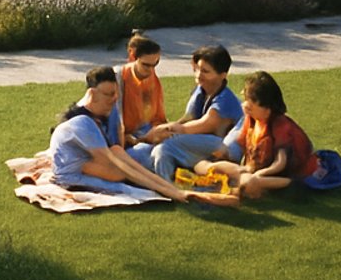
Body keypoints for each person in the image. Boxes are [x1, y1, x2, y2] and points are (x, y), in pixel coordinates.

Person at [47, 67, 237, 207]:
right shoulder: (82, 122)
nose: (114, 99)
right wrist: (166, 191)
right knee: (127, 179)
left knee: (140, 154)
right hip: (77, 172)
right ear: (92, 95)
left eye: (116, 94)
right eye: (109, 95)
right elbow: (117, 164)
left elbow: (118, 148)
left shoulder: (108, 110)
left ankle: (177, 188)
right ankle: (180, 193)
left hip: (102, 160)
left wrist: (141, 140)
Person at [193, 72, 321, 201]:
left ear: (267, 108)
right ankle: (238, 186)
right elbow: (242, 147)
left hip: (283, 176)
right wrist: (222, 155)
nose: (246, 105)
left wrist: (259, 174)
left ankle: (241, 189)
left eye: (252, 101)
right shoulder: (251, 119)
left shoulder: (281, 126)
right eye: (247, 99)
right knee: (202, 165)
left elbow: (280, 163)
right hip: (252, 171)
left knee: (249, 183)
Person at [136, 45, 242, 181]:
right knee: (151, 149)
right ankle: (162, 180)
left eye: (205, 71)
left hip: (223, 148)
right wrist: (153, 135)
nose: (198, 74)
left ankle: (167, 186)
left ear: (223, 75)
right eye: (197, 69)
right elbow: (186, 119)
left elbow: (196, 127)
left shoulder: (225, 101)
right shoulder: (201, 90)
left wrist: (161, 131)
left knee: (166, 146)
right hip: (200, 141)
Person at [113, 35, 168, 145]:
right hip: (124, 138)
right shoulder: (118, 77)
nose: (151, 70)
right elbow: (115, 120)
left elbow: (157, 116)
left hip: (147, 131)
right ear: (133, 57)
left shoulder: (152, 77)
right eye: (146, 65)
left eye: (155, 64)